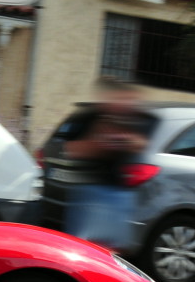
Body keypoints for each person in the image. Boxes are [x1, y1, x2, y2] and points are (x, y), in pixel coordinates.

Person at [61, 78, 157, 252]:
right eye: (120, 99)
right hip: (89, 191)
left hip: (120, 194)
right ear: (107, 98)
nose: (125, 105)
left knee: (111, 251)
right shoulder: (89, 116)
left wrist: (121, 140)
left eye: (129, 101)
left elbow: (141, 144)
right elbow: (72, 149)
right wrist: (99, 141)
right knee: (78, 248)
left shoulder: (138, 119)